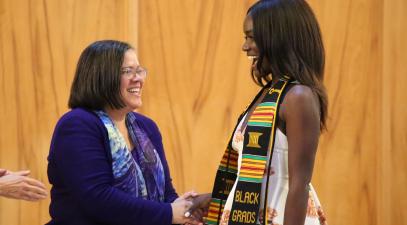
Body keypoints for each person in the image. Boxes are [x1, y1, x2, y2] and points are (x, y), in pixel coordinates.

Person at [47, 40, 200, 225]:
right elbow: (98, 198)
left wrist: (184, 209)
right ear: (102, 77)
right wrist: (168, 213)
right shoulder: (77, 125)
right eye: (128, 71)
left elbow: (165, 193)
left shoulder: (146, 127)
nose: (138, 79)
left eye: (139, 71)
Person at [204, 0, 329, 224]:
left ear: (278, 38)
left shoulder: (298, 96)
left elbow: (298, 184)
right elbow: (253, 177)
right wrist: (209, 200)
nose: (245, 46)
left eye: (252, 37)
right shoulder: (269, 93)